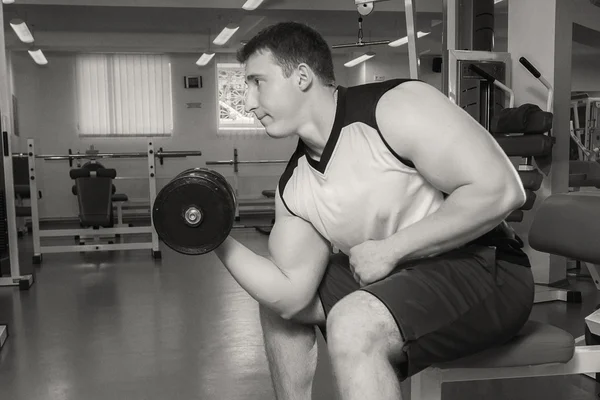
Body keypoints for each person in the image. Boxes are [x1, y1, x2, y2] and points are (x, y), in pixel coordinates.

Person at [214, 21, 534, 400]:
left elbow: (501, 190)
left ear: (301, 77)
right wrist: (214, 237)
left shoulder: (395, 107)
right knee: (274, 308)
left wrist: (391, 249)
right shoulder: (294, 188)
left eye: (257, 82)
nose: (248, 103)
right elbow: (291, 295)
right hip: (399, 278)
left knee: (353, 324)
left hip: (487, 268)